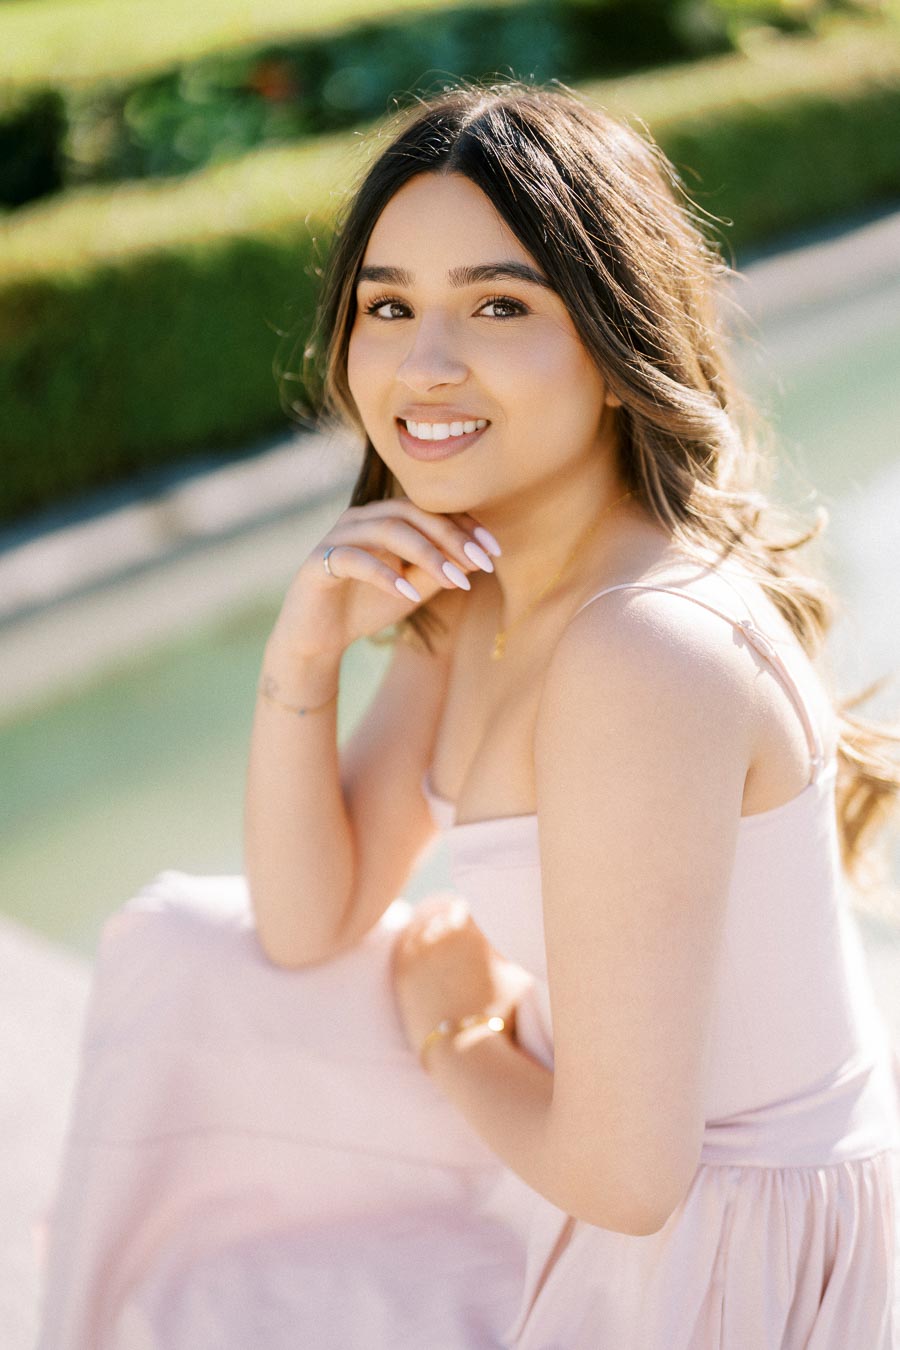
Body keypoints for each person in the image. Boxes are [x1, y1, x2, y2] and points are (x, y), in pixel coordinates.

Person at [37, 81, 900, 1348]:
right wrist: (304, 652)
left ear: (617, 347)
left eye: (499, 305)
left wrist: (454, 1029)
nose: (424, 364)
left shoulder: (643, 652)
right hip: (591, 1172)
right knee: (182, 954)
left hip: (719, 1259)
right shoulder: (485, 578)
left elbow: (630, 1180)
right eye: (388, 306)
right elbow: (310, 920)